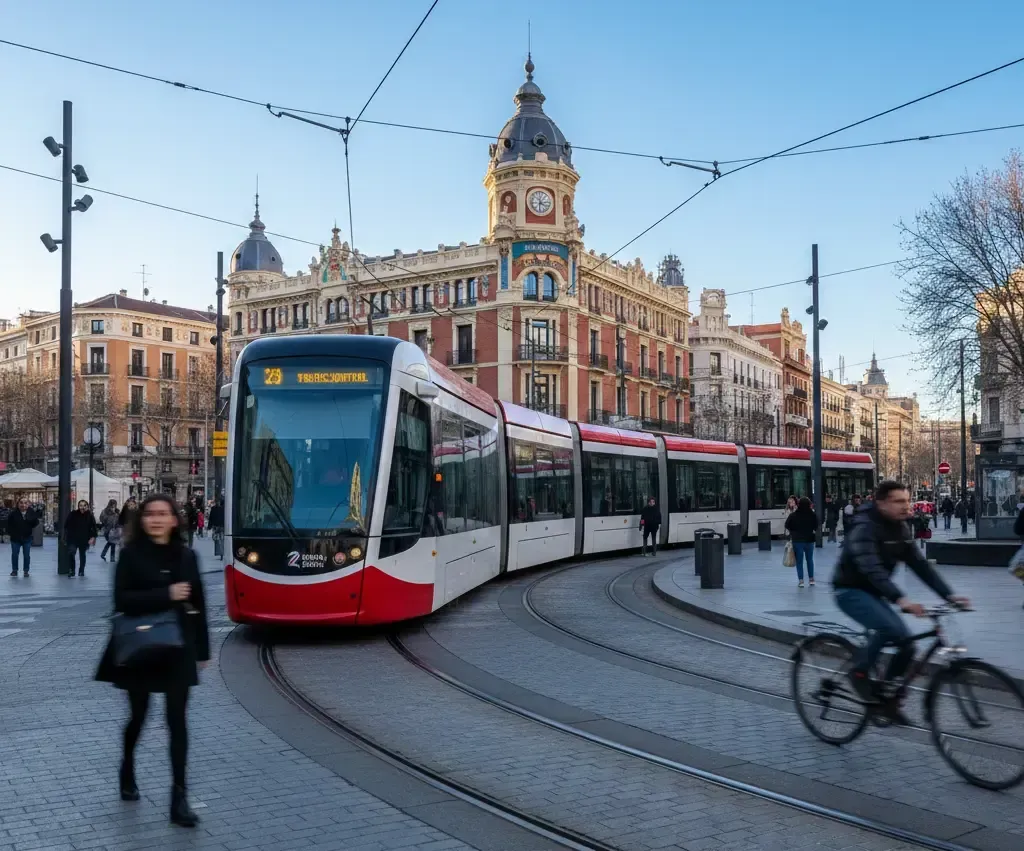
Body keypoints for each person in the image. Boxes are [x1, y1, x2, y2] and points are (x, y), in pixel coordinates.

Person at [95, 493, 210, 828]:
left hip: (178, 648)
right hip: (140, 647)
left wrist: (203, 651)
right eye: (150, 514)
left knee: (178, 721)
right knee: (138, 717)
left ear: (175, 519)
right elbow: (122, 601)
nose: (156, 519)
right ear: (141, 520)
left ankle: (179, 796)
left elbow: (198, 602)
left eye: (163, 513)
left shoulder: (187, 556)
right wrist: (167, 594)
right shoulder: (130, 555)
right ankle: (127, 766)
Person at [833, 480, 970, 720]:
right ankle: (858, 674)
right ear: (881, 503)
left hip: (875, 592)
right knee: (892, 629)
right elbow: (870, 568)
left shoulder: (900, 529)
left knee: (908, 644)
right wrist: (901, 599)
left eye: (907, 501)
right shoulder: (865, 527)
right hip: (850, 590)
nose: (906, 507)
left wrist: (949, 596)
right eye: (898, 501)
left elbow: (920, 566)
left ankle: (887, 698)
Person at [785, 496, 818, 587]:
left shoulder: (794, 515)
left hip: (797, 540)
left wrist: (793, 532)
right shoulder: (812, 514)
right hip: (809, 540)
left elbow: (787, 525)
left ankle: (801, 581)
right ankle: (811, 579)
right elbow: (816, 525)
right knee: (809, 559)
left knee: (799, 561)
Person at [7, 497, 39, 577]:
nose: (23, 505)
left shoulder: (31, 512)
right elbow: (8, 525)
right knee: (14, 554)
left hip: (27, 538)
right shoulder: (13, 514)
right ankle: (14, 570)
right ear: (18, 504)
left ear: (28, 504)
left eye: (25, 503)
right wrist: (11, 533)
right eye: (21, 503)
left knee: (26, 555)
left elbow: (35, 522)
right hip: (15, 538)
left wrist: (29, 519)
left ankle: (26, 571)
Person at [64, 500, 97, 577]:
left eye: (84, 505)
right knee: (71, 553)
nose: (82, 507)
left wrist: (92, 537)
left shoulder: (90, 515)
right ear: (78, 506)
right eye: (81, 505)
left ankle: (81, 570)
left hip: (84, 539)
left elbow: (93, 528)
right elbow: (66, 525)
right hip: (73, 538)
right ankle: (72, 570)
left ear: (87, 506)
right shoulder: (73, 514)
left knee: (82, 555)